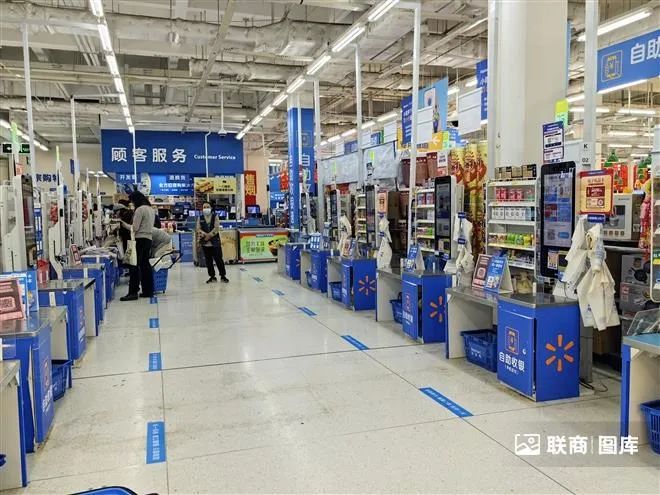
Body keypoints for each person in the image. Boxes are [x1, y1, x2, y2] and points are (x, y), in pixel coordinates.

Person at [120, 191, 155, 301]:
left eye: (132, 201)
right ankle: (148, 290)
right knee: (145, 265)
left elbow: (134, 228)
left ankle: (133, 292)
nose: (132, 203)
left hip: (139, 239)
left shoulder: (140, 210)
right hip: (148, 239)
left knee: (134, 266)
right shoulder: (151, 209)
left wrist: (122, 224)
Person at [197, 202, 228, 283]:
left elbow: (216, 228)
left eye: (207, 207)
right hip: (205, 243)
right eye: (204, 207)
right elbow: (198, 228)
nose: (206, 208)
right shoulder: (200, 218)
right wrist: (205, 235)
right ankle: (212, 276)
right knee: (208, 261)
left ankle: (223, 276)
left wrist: (209, 235)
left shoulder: (215, 216)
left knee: (219, 260)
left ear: (211, 208)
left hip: (215, 242)